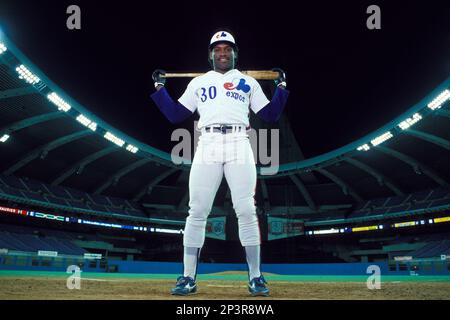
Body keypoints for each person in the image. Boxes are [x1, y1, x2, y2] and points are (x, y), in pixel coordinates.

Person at [151, 30, 289, 296]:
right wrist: (160, 89)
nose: (223, 53)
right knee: (197, 210)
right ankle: (187, 278)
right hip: (208, 142)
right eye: (218, 49)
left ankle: (256, 277)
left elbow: (270, 115)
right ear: (211, 54)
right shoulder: (199, 82)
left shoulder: (248, 82)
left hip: (239, 141)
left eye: (228, 49)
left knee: (246, 209)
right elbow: (175, 114)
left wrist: (281, 88)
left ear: (235, 53)